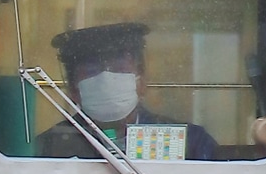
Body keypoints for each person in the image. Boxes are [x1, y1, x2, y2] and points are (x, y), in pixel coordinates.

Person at [37, 20, 219, 161]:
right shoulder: (49, 147)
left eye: (119, 67)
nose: (106, 79)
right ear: (73, 90)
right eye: (92, 71)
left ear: (142, 81)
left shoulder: (192, 143)